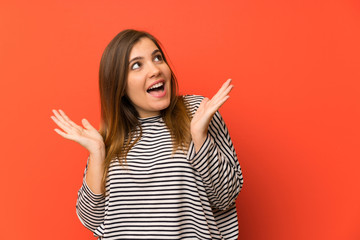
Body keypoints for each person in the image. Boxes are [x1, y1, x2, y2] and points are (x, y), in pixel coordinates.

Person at [51, 29, 243, 240]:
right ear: (120, 85)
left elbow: (225, 197)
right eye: (136, 65)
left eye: (157, 58)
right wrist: (97, 153)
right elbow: (91, 219)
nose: (155, 70)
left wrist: (200, 137)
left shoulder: (197, 112)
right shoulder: (110, 139)